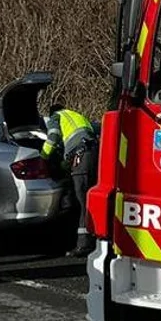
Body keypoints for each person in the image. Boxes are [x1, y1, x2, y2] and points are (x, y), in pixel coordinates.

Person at [45, 104, 98, 257]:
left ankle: (84, 245)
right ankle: (92, 238)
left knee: (81, 201)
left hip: (81, 156)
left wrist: (43, 157)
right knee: (85, 197)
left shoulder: (56, 117)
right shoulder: (77, 116)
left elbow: (52, 139)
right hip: (92, 154)